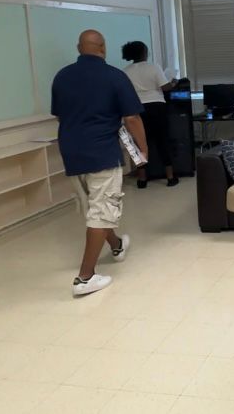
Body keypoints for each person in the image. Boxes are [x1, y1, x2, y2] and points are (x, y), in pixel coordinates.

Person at [52, 30, 147, 296]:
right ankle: (85, 277)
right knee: (102, 210)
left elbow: (60, 116)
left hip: (71, 152)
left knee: (95, 207)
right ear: (103, 48)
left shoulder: (61, 76)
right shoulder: (115, 76)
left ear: (78, 47)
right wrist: (143, 150)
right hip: (102, 153)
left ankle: (116, 245)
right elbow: (132, 119)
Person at [122, 41, 179, 189]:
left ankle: (142, 179)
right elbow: (165, 87)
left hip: (136, 109)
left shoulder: (125, 71)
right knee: (162, 141)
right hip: (157, 107)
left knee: (139, 143)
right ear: (144, 53)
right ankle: (170, 177)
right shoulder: (153, 67)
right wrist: (174, 81)